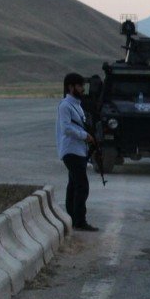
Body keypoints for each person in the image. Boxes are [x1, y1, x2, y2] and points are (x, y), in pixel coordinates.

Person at [56, 72, 98, 232]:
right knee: (82, 186)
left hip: (79, 150)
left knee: (73, 185)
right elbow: (66, 128)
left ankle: (72, 219)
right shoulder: (65, 105)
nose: (82, 89)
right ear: (71, 87)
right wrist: (84, 135)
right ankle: (79, 220)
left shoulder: (77, 105)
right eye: (80, 86)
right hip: (71, 150)